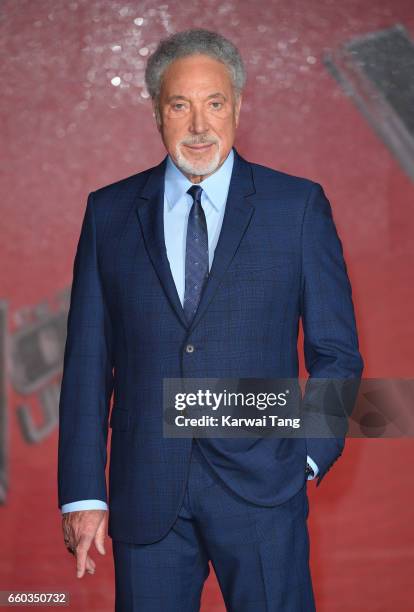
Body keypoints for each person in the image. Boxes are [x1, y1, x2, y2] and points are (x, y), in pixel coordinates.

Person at [58, 28, 363, 611]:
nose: (199, 125)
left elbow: (337, 353)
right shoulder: (109, 214)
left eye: (215, 103)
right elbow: (87, 366)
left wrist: (307, 454)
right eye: (180, 105)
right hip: (145, 494)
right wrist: (81, 495)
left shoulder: (296, 208)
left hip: (263, 491)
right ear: (157, 113)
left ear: (239, 107)